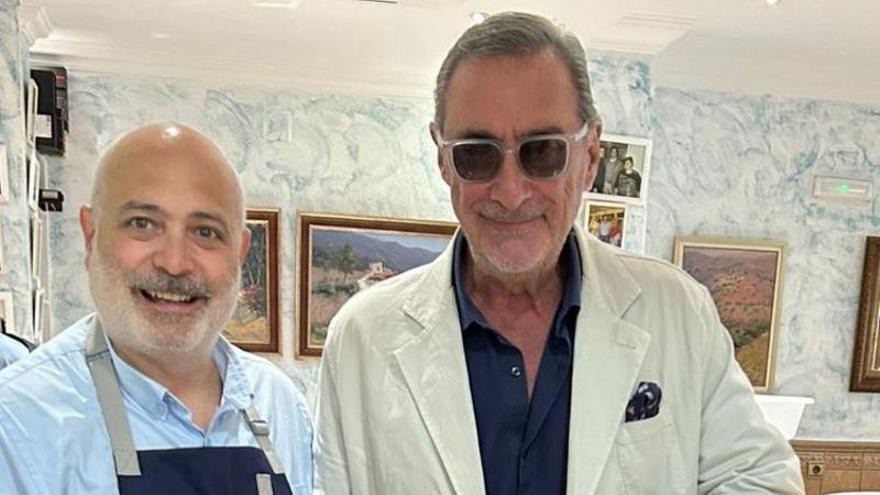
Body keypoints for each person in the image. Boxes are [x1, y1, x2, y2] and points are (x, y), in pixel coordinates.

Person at [313, 11, 803, 494]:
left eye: (542, 151)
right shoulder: (361, 338)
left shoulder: (677, 310)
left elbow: (762, 479)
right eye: (476, 153)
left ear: (590, 156)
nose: (510, 192)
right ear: (443, 159)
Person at [0, 123, 313, 495]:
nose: (174, 263)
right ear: (90, 236)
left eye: (205, 231)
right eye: (142, 224)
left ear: (240, 253)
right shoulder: (17, 422)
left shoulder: (278, 403)